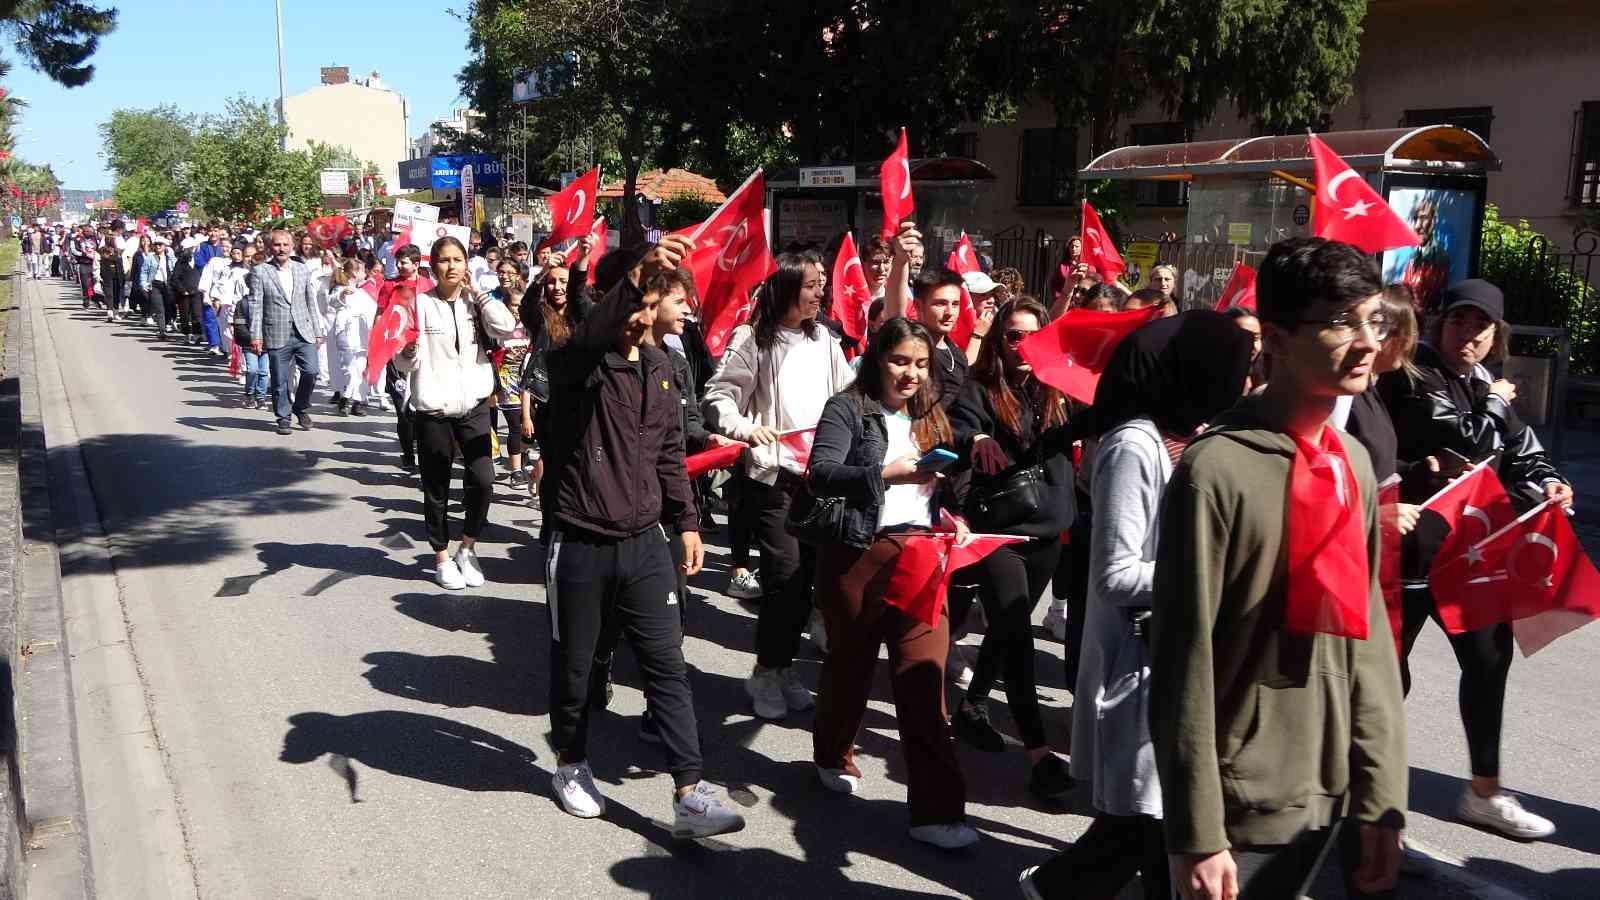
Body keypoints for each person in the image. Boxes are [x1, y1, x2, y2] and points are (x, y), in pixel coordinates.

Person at [1149, 236, 1406, 900]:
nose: (1367, 341)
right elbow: (1184, 661)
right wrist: (1197, 830)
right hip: (1243, 803)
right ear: (1277, 338)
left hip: (1332, 795)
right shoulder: (1216, 471)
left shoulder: (1351, 462)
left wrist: (1383, 794)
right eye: (1341, 321)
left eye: (1372, 319)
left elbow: (1371, 637)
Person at [1020, 312, 1253, 900]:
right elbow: (1116, 575)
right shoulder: (1134, 445)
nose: (1246, 379)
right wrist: (1215, 572)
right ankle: (1051, 888)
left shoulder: (1196, 436)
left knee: (1154, 825)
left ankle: (1052, 888)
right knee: (1151, 820)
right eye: (1237, 366)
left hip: (1175, 658)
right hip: (1138, 662)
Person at [541, 236, 746, 838]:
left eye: (660, 293)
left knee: (667, 665)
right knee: (576, 667)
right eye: (655, 292)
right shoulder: (574, 360)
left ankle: (689, 791)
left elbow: (667, 456)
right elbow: (594, 330)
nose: (668, 305)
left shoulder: (663, 369)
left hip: (644, 544)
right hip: (579, 542)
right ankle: (570, 763)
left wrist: (685, 523)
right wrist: (637, 275)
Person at [1376, 279, 1570, 841]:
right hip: (1408, 550)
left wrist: (1551, 481)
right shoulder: (1414, 374)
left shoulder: (1485, 382)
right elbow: (1471, 441)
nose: (1470, 335)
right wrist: (1495, 403)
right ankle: (1368, 799)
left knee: (1489, 660)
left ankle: (1484, 792)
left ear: (1495, 334)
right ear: (1439, 324)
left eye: (1481, 326)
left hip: (1468, 551)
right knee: (1389, 674)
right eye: (1461, 322)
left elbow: (1520, 448)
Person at [808, 316, 979, 850]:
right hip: (857, 558)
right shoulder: (847, 408)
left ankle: (936, 809)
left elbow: (940, 487)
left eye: (922, 364)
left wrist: (951, 515)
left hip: (923, 557)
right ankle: (833, 753)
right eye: (900, 361)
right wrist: (885, 474)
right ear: (877, 359)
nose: (911, 374)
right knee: (849, 667)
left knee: (925, 682)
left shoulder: (931, 413)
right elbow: (820, 473)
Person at [703, 252, 854, 719]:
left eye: (823, 284)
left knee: (807, 584)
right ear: (787, 286)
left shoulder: (826, 340)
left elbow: (849, 396)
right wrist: (745, 428)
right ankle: (766, 673)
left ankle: (784, 668)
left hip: (820, 482)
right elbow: (718, 396)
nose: (820, 292)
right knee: (784, 581)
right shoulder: (753, 339)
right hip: (774, 482)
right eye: (811, 284)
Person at [949, 297, 1076, 800]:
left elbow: (1093, 419)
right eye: (1012, 335)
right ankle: (1040, 754)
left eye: (1032, 335)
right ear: (999, 341)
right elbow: (956, 428)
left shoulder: (1059, 391)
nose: (1022, 346)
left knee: (1004, 632)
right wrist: (977, 435)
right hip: (1000, 532)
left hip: (1049, 530)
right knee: (1018, 631)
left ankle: (974, 706)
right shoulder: (979, 388)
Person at [391, 237, 518, 588]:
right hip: (434, 409)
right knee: (437, 488)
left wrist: (478, 292)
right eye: (444, 260)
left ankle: (468, 546)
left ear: (466, 264)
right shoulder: (419, 303)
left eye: (458, 260)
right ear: (433, 266)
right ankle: (442, 555)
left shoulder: (475, 303)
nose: (451, 267)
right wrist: (410, 351)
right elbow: (400, 362)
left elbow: (507, 327)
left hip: (474, 405)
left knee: (483, 479)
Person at [247, 229, 327, 436]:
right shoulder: (261, 271)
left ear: (292, 246)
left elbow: (310, 301)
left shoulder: (301, 269)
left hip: (303, 331)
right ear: (270, 247)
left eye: (285, 244)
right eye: (277, 245)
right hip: (276, 332)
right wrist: (256, 335)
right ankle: (283, 416)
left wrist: (317, 331)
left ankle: (301, 406)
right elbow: (256, 305)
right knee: (280, 379)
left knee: (311, 371)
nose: (281, 249)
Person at [328, 258, 377, 416]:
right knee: (350, 369)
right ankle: (346, 397)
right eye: (362, 270)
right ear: (355, 273)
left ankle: (357, 401)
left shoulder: (364, 291)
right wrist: (342, 294)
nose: (365, 273)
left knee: (361, 369)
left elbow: (373, 311)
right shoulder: (341, 288)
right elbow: (332, 301)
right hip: (345, 333)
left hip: (362, 335)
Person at [140, 234, 177, 336]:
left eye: (160, 244)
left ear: (165, 246)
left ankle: (168, 324)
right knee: (159, 308)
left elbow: (176, 270)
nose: (158, 246)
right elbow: (144, 272)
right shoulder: (150, 258)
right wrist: (144, 284)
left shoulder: (170, 257)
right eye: (156, 244)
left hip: (168, 285)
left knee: (168, 306)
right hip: (155, 285)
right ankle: (162, 330)